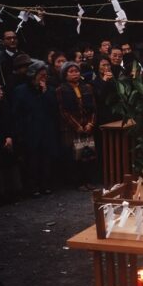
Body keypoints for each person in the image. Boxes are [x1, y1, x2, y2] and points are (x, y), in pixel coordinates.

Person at [12, 62, 59, 196]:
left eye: (45, 75)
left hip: (46, 129)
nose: (44, 78)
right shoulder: (21, 91)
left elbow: (54, 108)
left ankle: (45, 184)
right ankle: (32, 187)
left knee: (46, 159)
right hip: (30, 129)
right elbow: (17, 112)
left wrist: (44, 93)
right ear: (33, 76)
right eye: (41, 75)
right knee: (31, 160)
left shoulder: (49, 90)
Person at [56, 61, 97, 190]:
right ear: (65, 74)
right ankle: (78, 183)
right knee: (75, 156)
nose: (75, 74)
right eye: (71, 71)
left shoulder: (87, 87)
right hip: (71, 128)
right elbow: (63, 111)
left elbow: (94, 108)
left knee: (88, 155)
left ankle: (89, 181)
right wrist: (76, 126)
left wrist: (91, 123)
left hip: (87, 126)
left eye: (77, 71)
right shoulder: (61, 90)